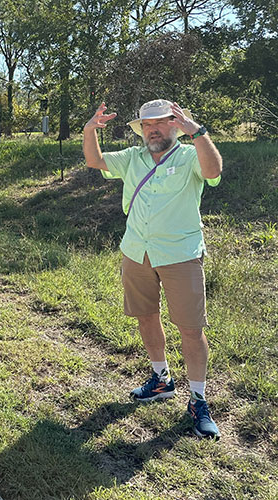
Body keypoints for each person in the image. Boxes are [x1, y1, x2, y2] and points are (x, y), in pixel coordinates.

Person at [83, 99, 223, 439]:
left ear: (175, 126)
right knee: (146, 315)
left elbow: (213, 172)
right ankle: (161, 380)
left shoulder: (190, 155)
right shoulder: (133, 158)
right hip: (136, 251)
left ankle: (198, 400)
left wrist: (199, 133)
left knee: (191, 329)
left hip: (180, 255)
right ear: (141, 130)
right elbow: (94, 160)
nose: (153, 130)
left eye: (160, 123)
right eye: (147, 125)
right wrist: (89, 130)